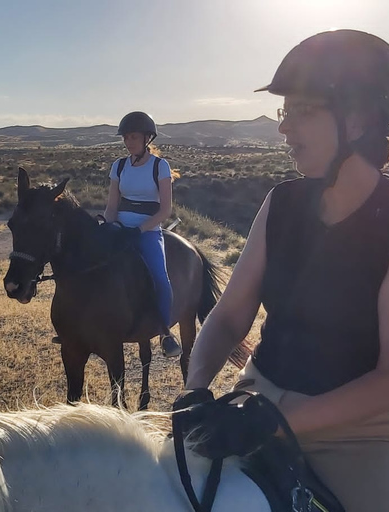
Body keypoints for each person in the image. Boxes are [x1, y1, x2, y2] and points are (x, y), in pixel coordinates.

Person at [175, 29, 389, 512]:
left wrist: (274, 421)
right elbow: (230, 317)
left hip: (354, 436)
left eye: (302, 112)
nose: (283, 130)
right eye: (283, 112)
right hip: (256, 398)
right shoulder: (281, 203)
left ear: (356, 121)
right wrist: (196, 389)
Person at [103, 111, 182, 358]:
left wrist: (139, 230)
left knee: (160, 276)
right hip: (120, 229)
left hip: (147, 231)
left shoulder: (160, 166)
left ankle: (165, 332)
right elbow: (112, 206)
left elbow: (165, 210)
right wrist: (107, 225)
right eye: (125, 137)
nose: (128, 142)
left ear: (147, 138)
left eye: (133, 137)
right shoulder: (119, 166)